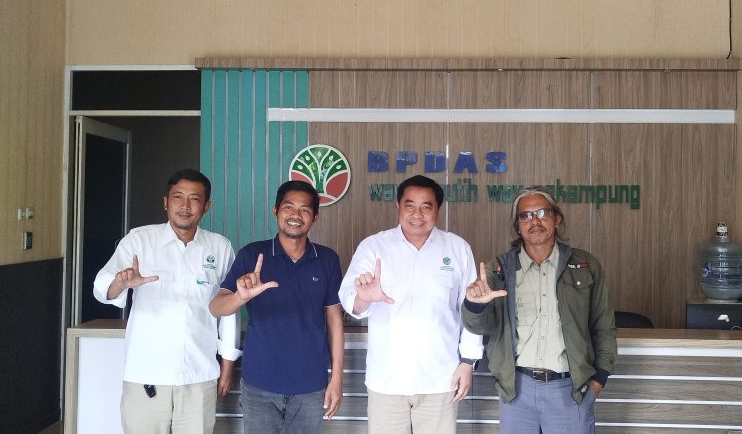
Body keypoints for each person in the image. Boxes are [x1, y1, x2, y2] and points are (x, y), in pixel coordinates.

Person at [93, 168, 241, 434]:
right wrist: (121, 282)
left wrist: (228, 363)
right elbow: (102, 288)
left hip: (199, 375)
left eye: (194, 199)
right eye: (178, 197)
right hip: (146, 376)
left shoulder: (220, 248)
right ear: (166, 202)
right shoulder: (139, 240)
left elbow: (229, 308)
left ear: (207, 206)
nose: (185, 206)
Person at [461, 186, 617, 434]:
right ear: (518, 226)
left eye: (542, 213)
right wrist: (474, 304)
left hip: (570, 390)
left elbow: (604, 327)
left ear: (557, 219)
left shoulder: (585, 265)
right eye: (525, 215)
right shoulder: (499, 270)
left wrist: (598, 380)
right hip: (517, 391)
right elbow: (479, 326)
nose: (534, 221)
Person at [338, 174, 483, 434]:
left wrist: (468, 362)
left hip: (441, 379)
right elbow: (349, 299)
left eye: (426, 206)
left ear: (438, 209)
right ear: (398, 206)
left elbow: (471, 310)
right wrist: (364, 297)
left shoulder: (458, 248)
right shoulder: (374, 246)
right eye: (410, 205)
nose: (417, 214)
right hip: (387, 381)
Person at [209, 180, 344, 434]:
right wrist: (241, 297)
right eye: (288, 207)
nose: (295, 215)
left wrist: (337, 378)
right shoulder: (252, 255)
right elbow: (216, 307)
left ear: (315, 217)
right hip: (259, 383)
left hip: (310, 385)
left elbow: (334, 321)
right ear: (275, 211)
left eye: (305, 209)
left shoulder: (327, 259)